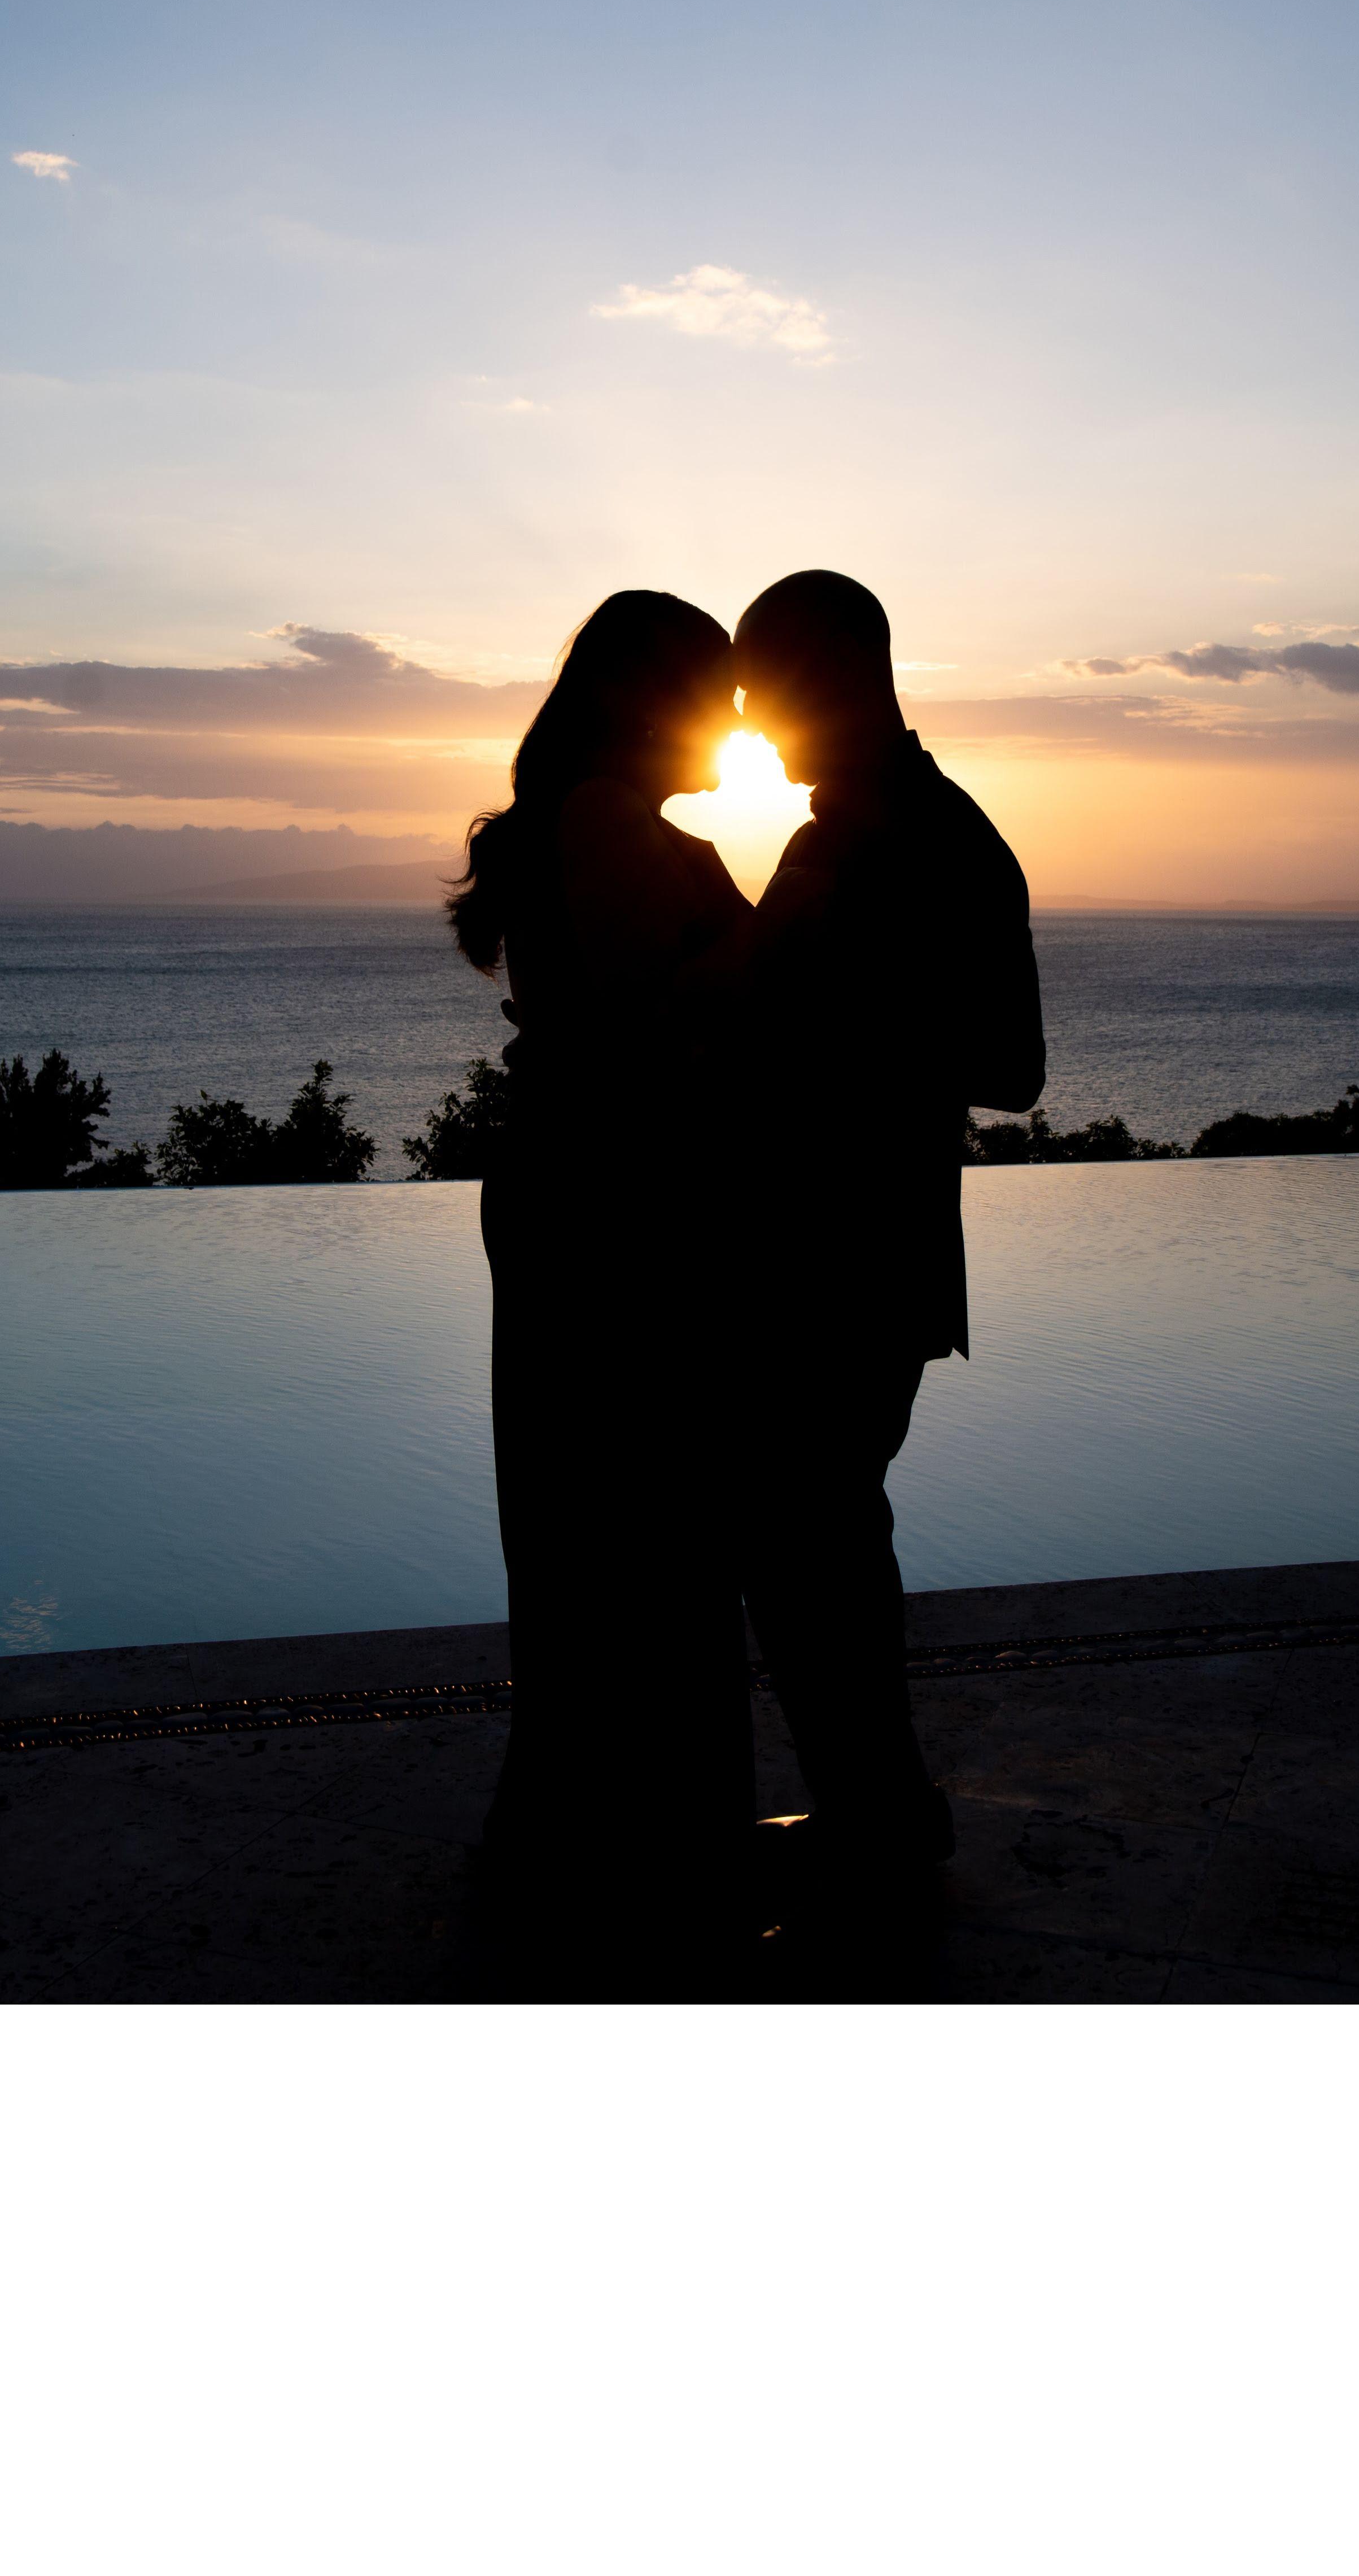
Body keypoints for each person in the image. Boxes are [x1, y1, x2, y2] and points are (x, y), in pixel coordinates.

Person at [729, 568, 1046, 1898]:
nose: (748, 718)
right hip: (818, 1249)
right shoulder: (847, 828)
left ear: (833, 677)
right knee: (814, 1537)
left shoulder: (932, 839)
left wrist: (841, 1014)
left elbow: (1013, 1068)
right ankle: (874, 1808)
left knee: (815, 1538)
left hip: (861, 1252)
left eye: (762, 688)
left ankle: (883, 1817)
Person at [446, 589, 757, 1923]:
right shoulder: (607, 821)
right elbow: (652, 1026)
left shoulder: (596, 817)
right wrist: (788, 947)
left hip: (585, 1186)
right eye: (719, 694)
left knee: (598, 1518)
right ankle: (645, 1844)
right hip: (614, 1200)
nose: (739, 720)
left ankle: (592, 1827)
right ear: (651, 701)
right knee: (639, 1523)